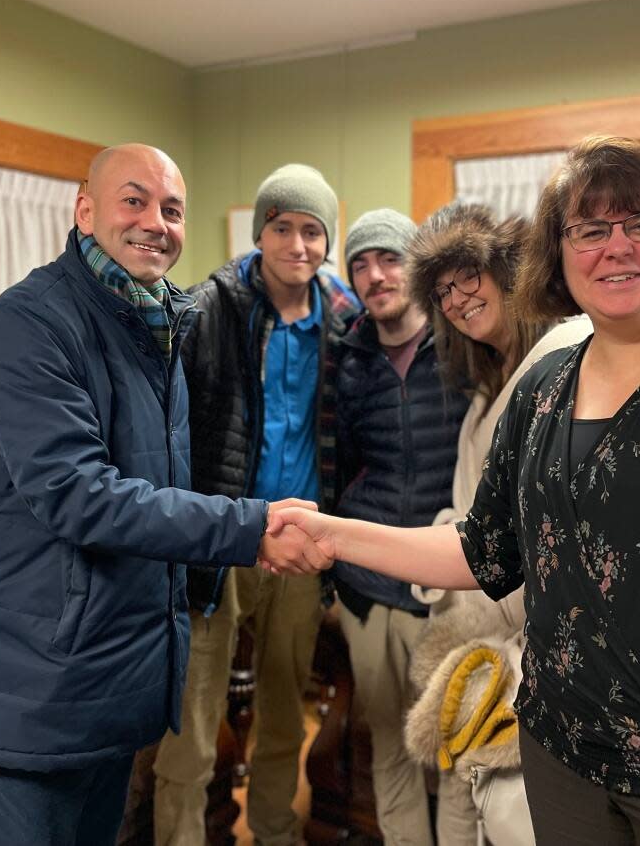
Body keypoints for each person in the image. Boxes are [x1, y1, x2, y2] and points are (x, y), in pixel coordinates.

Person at [271, 136, 640, 846]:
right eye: (589, 229)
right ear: (557, 252)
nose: (617, 247)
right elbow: (479, 549)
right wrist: (331, 533)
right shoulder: (543, 389)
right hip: (565, 759)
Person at [0, 144, 324, 846]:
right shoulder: (30, 324)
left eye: (172, 209)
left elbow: (155, 492)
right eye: (135, 200)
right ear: (85, 210)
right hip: (36, 695)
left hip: (111, 686)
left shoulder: (155, 326)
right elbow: (79, 493)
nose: (156, 221)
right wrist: (249, 526)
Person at [153, 163, 360, 846]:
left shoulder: (343, 319)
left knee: (283, 709)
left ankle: (275, 830)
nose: (296, 244)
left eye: (311, 230)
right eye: (282, 227)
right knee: (192, 725)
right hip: (221, 539)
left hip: (302, 540)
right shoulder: (210, 307)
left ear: (327, 240)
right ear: (260, 231)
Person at [398, 202, 592, 843]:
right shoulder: (487, 387)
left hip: (540, 627)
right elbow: (472, 507)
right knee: (467, 781)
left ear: (508, 271)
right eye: (443, 291)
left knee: (518, 807)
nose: (457, 298)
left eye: (468, 277)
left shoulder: (564, 357)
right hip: (482, 611)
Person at [331, 208, 470, 844]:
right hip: (367, 585)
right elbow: (339, 465)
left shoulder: (464, 345)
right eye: (360, 264)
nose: (375, 275)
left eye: (388, 259)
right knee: (388, 747)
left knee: (454, 752)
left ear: (415, 265)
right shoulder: (347, 359)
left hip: (447, 583)